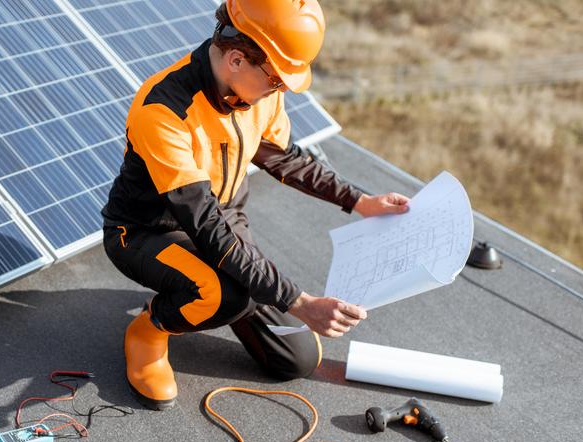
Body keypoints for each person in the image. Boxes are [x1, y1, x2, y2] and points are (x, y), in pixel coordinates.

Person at [101, 0, 411, 410]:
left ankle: (227, 296)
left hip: (222, 220)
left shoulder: (258, 90)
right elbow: (205, 225)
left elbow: (285, 158)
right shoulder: (163, 111)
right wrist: (299, 301)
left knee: (295, 359)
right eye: (277, 80)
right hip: (145, 232)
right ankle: (150, 328)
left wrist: (360, 201)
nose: (280, 89)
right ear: (235, 59)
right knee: (225, 296)